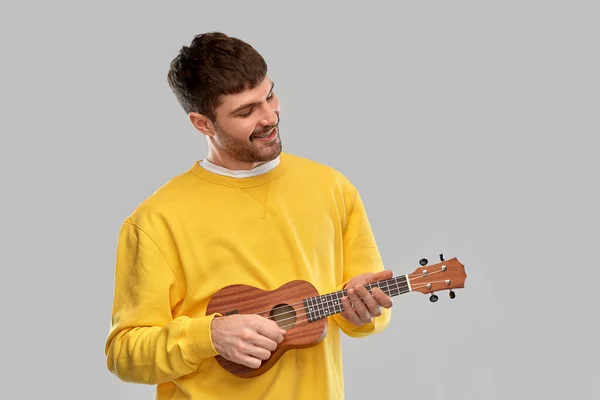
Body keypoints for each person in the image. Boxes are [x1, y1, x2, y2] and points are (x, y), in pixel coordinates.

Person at [104, 31, 394, 400]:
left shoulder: (333, 188)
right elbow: (124, 355)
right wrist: (209, 336)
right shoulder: (155, 221)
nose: (270, 116)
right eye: (245, 111)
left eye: (269, 95)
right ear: (202, 124)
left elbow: (370, 308)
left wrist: (365, 313)